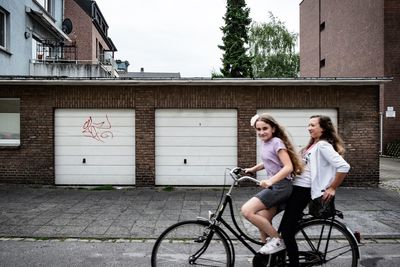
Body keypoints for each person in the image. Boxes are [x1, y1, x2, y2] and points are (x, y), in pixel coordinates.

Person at [279, 115, 350, 266]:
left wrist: (332, 188)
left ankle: (292, 264)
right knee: (282, 229)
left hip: (303, 191)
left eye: (313, 125)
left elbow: (344, 167)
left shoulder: (323, 145)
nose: (309, 128)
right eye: (308, 125)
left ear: (323, 128)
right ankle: (278, 259)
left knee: (286, 232)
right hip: (296, 188)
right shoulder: (312, 145)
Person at [241, 113, 303, 255]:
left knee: (247, 210)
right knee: (262, 219)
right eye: (259, 129)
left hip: (280, 187)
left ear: (273, 128)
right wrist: (252, 169)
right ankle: (266, 256)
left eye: (265, 128)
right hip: (276, 186)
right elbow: (269, 161)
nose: (262, 132)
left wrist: (270, 180)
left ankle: (278, 241)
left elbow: (288, 167)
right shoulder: (267, 143)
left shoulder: (277, 142)